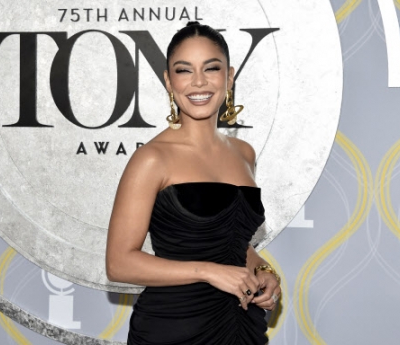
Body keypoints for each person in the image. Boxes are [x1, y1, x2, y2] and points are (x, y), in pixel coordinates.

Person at [106, 21, 282, 345]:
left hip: (239, 325)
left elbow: (230, 241)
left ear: (228, 77)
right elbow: (118, 264)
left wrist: (264, 273)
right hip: (173, 329)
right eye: (184, 70)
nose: (198, 82)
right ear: (168, 81)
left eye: (210, 68)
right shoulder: (152, 159)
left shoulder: (244, 153)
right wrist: (209, 272)